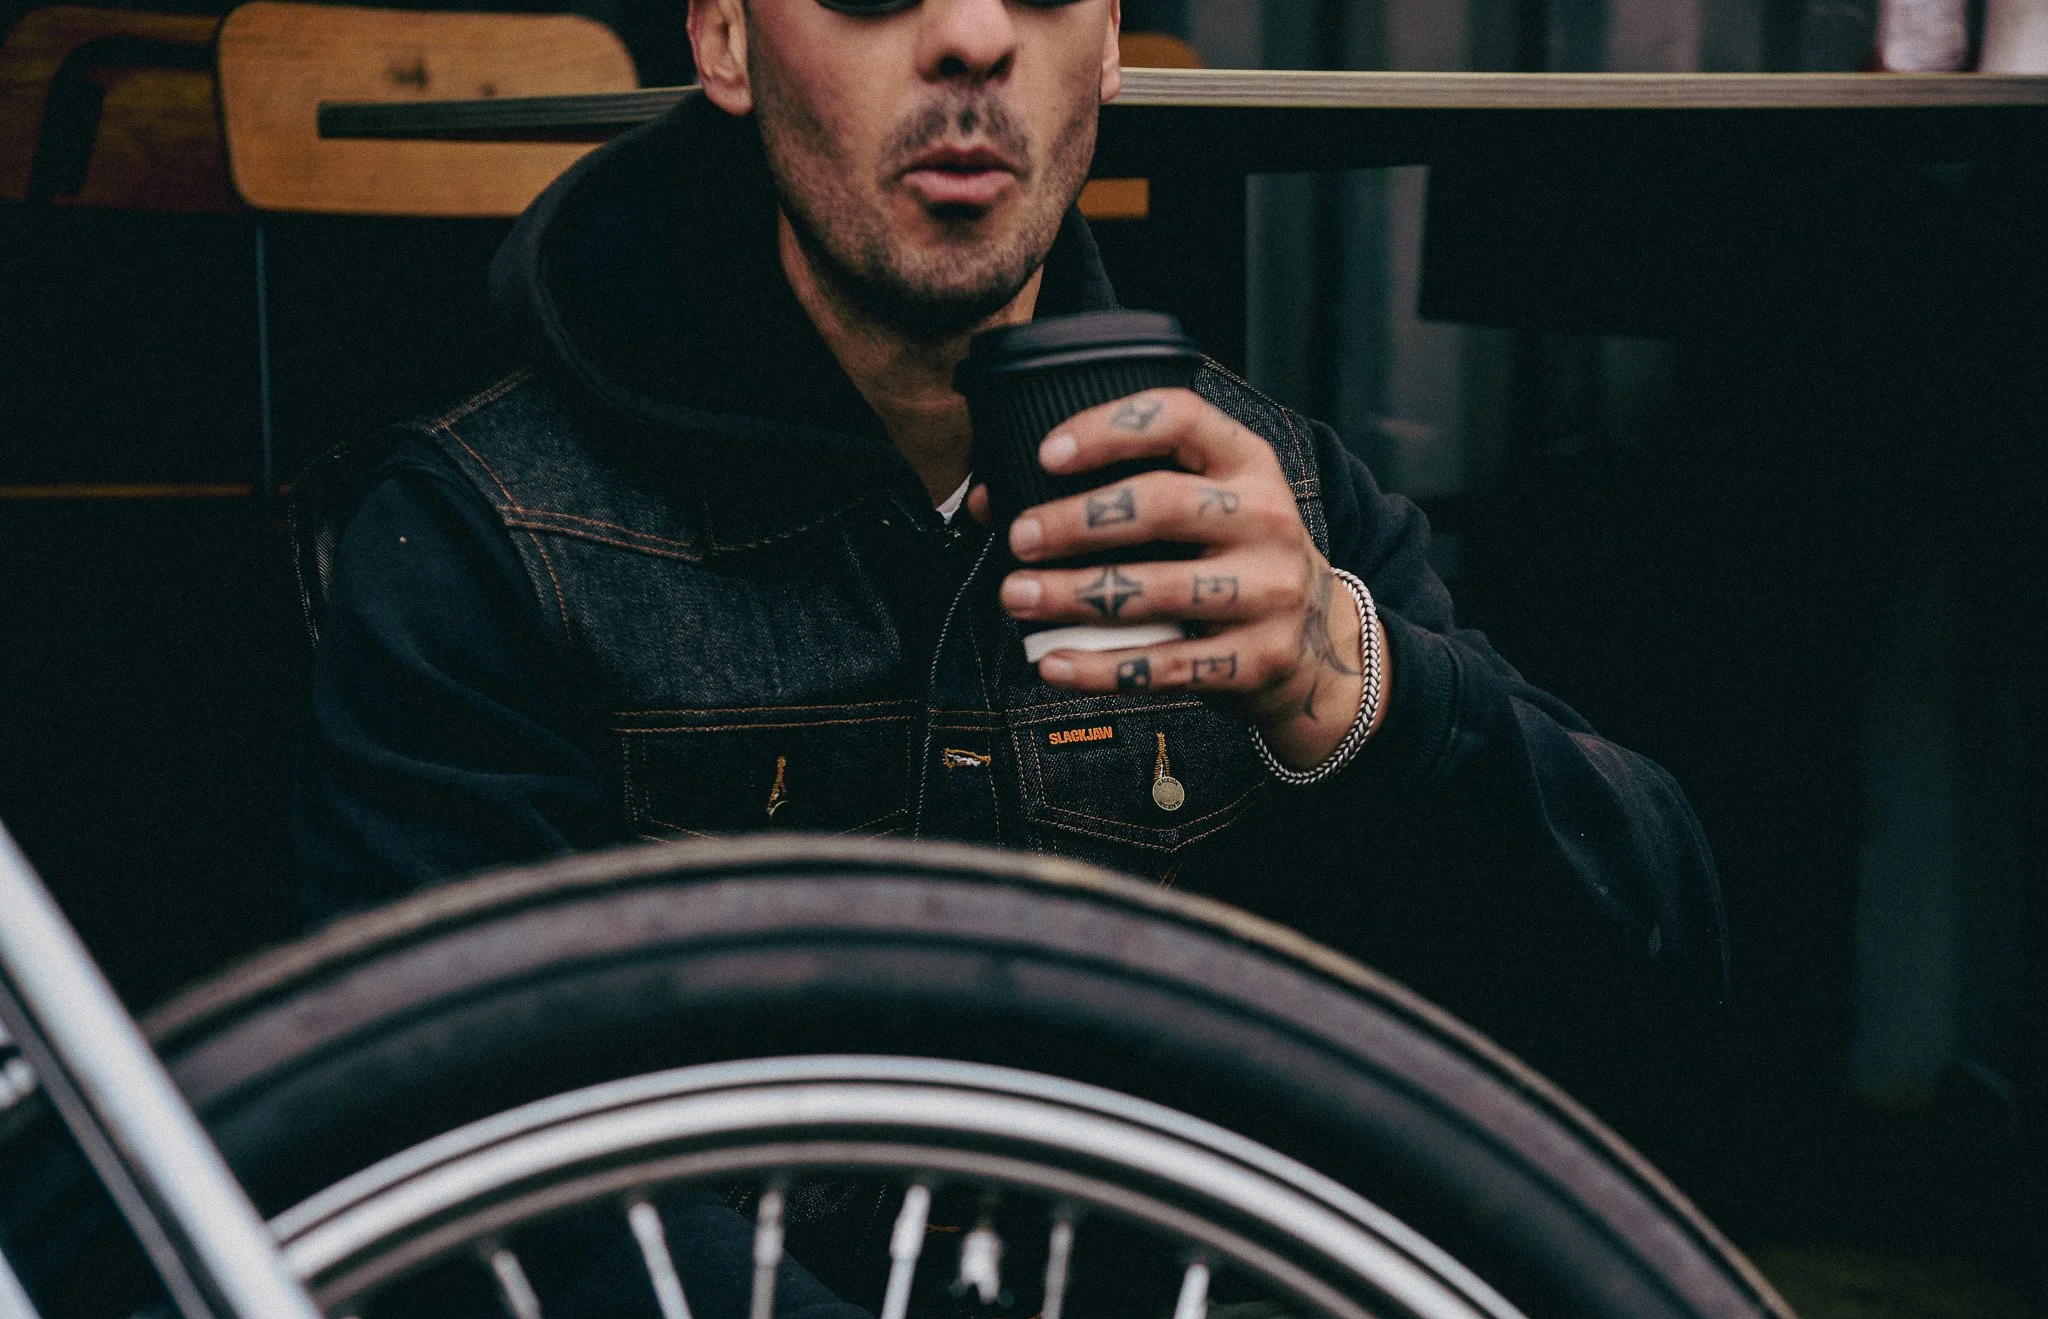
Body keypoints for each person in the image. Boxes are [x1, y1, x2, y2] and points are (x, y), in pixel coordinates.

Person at [294, 0, 1725, 1076]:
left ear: (1106, 36)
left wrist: (1350, 683)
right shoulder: (482, 540)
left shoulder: (1265, 493)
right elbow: (463, 1153)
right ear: (727, 37)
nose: (973, 31)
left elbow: (1654, 980)